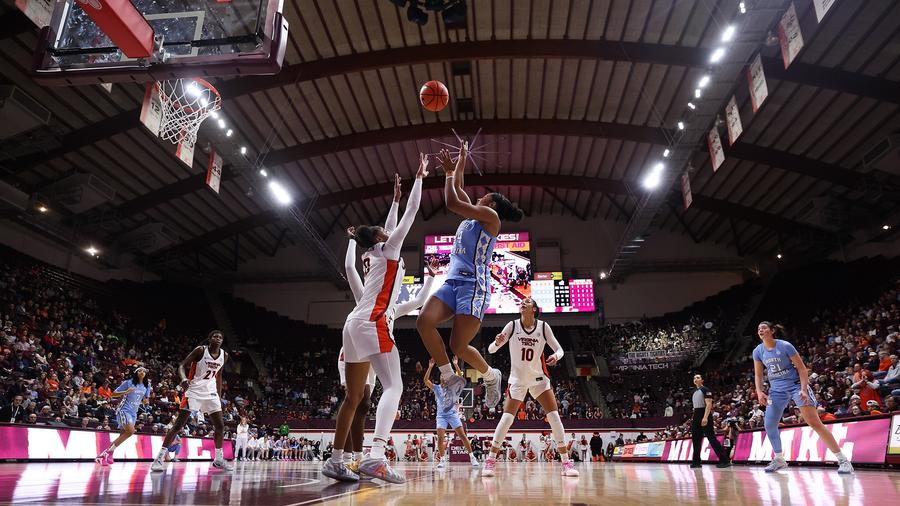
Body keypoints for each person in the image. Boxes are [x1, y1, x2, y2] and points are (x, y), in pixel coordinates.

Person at [322, 158, 426, 484]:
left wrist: (394, 198)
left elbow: (393, 222)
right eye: (384, 229)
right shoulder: (389, 248)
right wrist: (419, 178)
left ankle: (336, 461)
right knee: (394, 385)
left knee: (354, 398)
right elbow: (410, 215)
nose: (389, 229)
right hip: (373, 322)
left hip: (352, 324)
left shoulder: (372, 253)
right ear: (381, 236)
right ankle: (376, 456)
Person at [416, 142, 524, 412]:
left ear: (491, 203)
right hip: (452, 282)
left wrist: (450, 174)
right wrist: (460, 161)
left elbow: (453, 199)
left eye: (484, 197)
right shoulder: (471, 218)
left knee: (458, 345)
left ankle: (491, 375)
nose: (478, 198)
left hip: (473, 286)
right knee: (423, 322)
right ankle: (450, 376)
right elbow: (460, 192)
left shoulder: (490, 217)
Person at [340, 208, 439, 474]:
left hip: (376, 342)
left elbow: (418, 302)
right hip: (365, 337)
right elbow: (355, 264)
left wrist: (430, 277)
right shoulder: (369, 293)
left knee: (364, 403)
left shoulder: (393, 307)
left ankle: (355, 457)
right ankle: (356, 454)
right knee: (359, 400)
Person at [481, 297, 578, 478]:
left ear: (534, 309)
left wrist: (556, 356)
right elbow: (492, 349)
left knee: (554, 417)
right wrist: (497, 342)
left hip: (538, 378)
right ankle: (490, 460)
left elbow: (560, 350)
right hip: (517, 379)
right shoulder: (512, 325)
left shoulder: (543, 327)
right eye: (522, 302)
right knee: (507, 419)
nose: (523, 303)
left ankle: (565, 462)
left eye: (527, 301)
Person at [753, 321, 853, 474]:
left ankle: (843, 460)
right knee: (770, 424)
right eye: (759, 329)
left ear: (772, 331)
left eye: (764, 327)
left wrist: (804, 389)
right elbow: (758, 374)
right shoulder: (758, 351)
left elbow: (802, 368)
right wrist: (759, 392)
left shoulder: (785, 346)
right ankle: (779, 459)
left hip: (795, 386)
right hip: (777, 390)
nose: (761, 330)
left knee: (814, 423)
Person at [151, 330, 232, 472]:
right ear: (210, 338)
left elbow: (218, 376)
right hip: (194, 391)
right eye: (215, 336)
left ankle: (218, 459)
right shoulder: (201, 350)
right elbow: (181, 366)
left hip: (211, 392)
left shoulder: (224, 355)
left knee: (220, 426)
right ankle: (159, 458)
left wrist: (218, 396)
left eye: (220, 337)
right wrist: (183, 379)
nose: (218, 338)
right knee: (178, 426)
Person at [424, 359, 479, 469]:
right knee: (440, 438)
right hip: (441, 416)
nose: (444, 378)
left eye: (445, 377)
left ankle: (472, 458)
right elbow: (425, 380)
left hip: (453, 414)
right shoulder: (436, 388)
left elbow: (460, 377)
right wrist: (430, 367)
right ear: (440, 378)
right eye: (442, 376)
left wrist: (456, 365)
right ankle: (442, 460)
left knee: (463, 436)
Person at [96, 366, 151, 466]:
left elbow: (145, 399)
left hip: (134, 412)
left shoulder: (147, 385)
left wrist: (146, 401)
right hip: (124, 410)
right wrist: (125, 392)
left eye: (144, 371)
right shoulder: (128, 382)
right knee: (130, 431)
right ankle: (107, 453)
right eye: (140, 370)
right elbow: (113, 394)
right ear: (136, 373)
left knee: (122, 435)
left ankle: (104, 455)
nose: (142, 372)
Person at [688, 374, 731, 469]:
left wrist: (705, 417)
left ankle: (725, 460)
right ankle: (696, 462)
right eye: (694, 377)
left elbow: (708, 405)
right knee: (696, 439)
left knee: (711, 438)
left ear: (702, 380)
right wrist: (694, 417)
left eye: (698, 377)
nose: (695, 379)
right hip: (696, 414)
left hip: (704, 413)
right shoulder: (694, 391)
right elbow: (695, 406)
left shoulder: (706, 390)